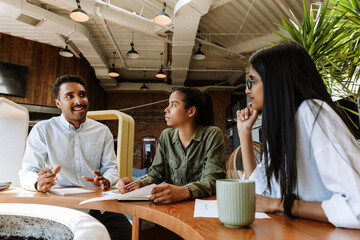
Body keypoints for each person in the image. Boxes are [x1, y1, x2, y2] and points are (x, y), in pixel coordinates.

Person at [236, 42, 360, 229]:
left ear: (275, 81)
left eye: (251, 81)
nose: (247, 90)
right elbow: (260, 194)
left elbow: (356, 209)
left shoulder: (313, 112)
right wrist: (244, 133)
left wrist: (280, 204)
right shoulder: (285, 125)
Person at [19, 75, 132, 239]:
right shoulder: (42, 130)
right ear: (58, 103)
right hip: (62, 210)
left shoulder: (102, 131)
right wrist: (38, 183)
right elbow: (27, 171)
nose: (78, 101)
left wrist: (106, 180)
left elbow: (111, 168)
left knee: (127, 234)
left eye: (82, 95)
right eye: (69, 96)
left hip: (98, 208)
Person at [118, 87, 226, 204]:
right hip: (171, 206)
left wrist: (184, 191)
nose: (166, 109)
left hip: (202, 206)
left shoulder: (212, 134)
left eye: (173, 105)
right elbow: (156, 175)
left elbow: (214, 179)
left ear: (191, 111)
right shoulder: (166, 136)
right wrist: (137, 183)